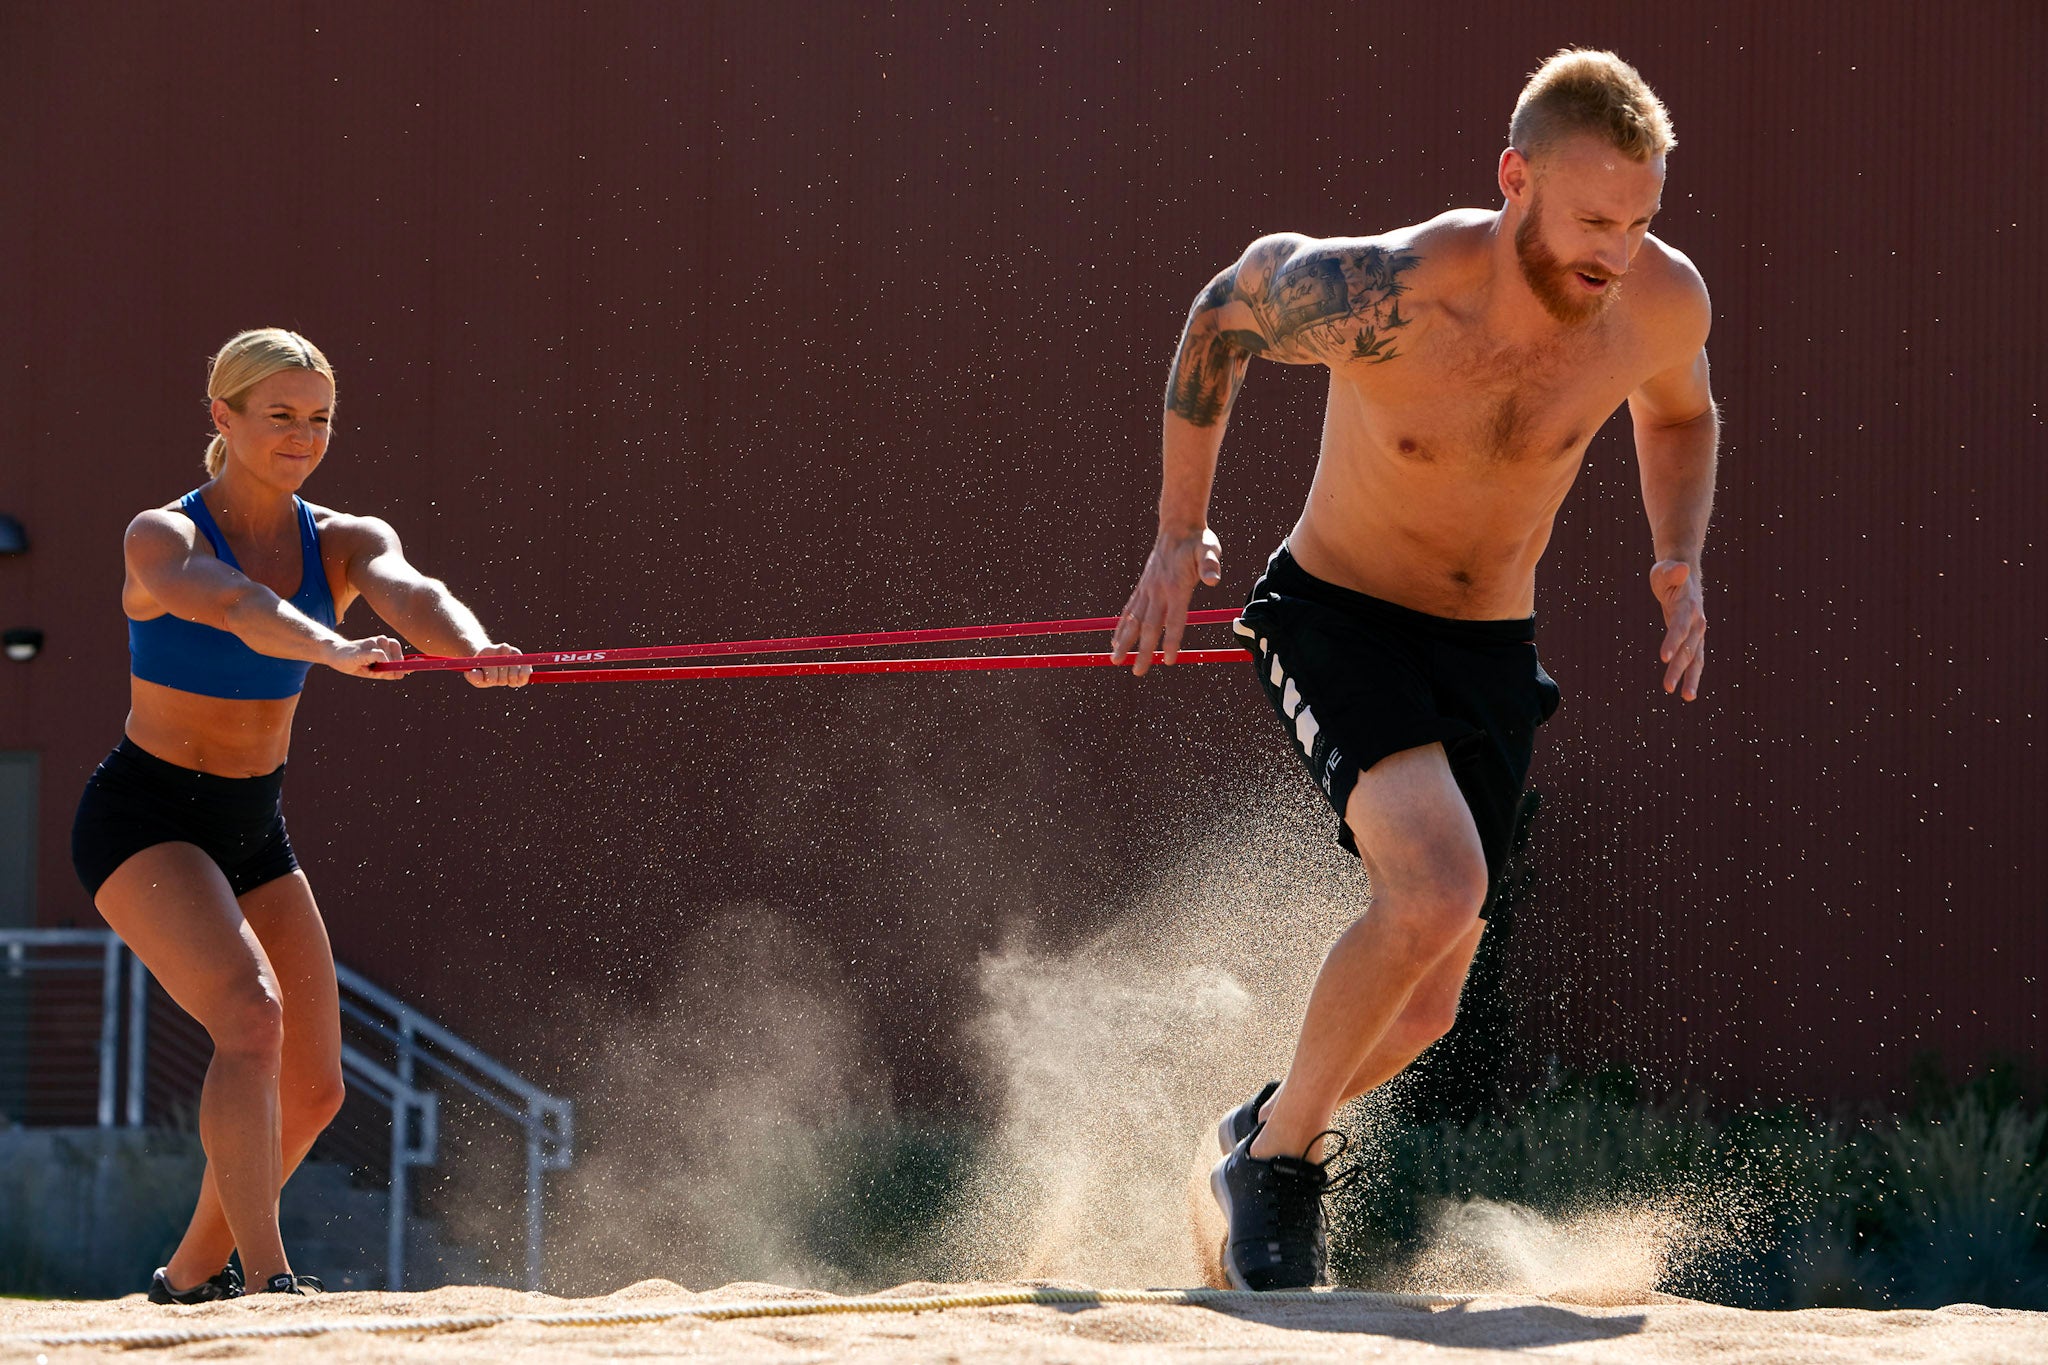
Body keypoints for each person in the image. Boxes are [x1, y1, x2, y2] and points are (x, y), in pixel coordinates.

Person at [1109, 50, 1718, 1290]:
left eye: (1642, 218)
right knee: (1437, 889)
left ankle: (1255, 1132)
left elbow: (1679, 414)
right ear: (1515, 182)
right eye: (1594, 219)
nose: (1618, 249)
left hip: (1488, 647)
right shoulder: (1387, 288)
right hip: (1336, 615)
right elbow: (1222, 310)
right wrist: (1179, 532)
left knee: (1428, 1008)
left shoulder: (1659, 302)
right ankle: (1274, 1176)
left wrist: (1677, 557)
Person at [71, 328, 532, 1300]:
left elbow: (416, 593)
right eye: (278, 415)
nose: (301, 435)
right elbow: (235, 605)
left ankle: (190, 1276)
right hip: (144, 816)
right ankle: (269, 1277)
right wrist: (328, 647)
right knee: (248, 1017)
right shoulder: (164, 536)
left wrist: (472, 649)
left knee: (316, 1089)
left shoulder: (346, 539)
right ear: (222, 417)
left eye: (317, 418)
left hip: (251, 824)